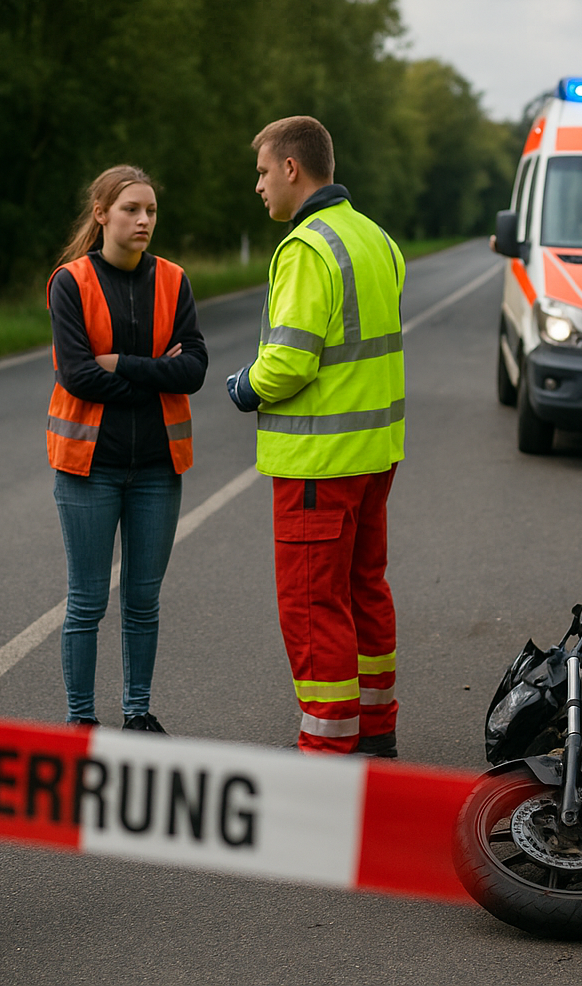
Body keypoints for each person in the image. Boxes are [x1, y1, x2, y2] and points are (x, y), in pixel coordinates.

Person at [226, 117, 406, 756]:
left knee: (312, 609)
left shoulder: (306, 248)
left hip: (318, 463)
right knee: (365, 592)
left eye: (263, 172)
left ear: (292, 169)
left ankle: (327, 752)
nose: (259, 186)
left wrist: (243, 386)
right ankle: (375, 732)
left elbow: (290, 362)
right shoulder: (375, 238)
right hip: (373, 456)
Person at [46, 166, 207, 731]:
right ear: (101, 214)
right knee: (87, 602)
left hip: (159, 469)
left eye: (151, 212)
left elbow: (195, 369)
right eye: (131, 210)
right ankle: (80, 723)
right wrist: (157, 375)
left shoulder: (173, 280)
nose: (144, 221)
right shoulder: (72, 282)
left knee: (143, 603)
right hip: (89, 469)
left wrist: (126, 367)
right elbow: (78, 376)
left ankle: (137, 714)